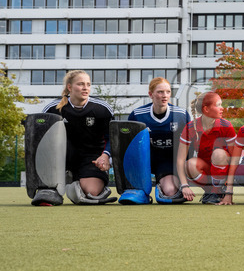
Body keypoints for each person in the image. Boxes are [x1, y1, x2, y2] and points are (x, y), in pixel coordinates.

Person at [41, 70, 114, 203]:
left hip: (92, 158)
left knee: (91, 192)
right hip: (62, 158)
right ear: (70, 87)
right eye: (81, 84)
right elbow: (41, 139)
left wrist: (105, 156)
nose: (85, 88)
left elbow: (112, 138)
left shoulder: (102, 109)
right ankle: (62, 179)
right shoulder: (52, 109)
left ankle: (75, 184)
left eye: (88, 84)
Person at [127, 77, 190, 202]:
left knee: (170, 191)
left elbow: (190, 144)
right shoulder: (137, 115)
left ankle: (161, 185)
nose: (164, 95)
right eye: (160, 92)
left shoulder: (181, 115)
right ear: (151, 94)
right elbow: (129, 145)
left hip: (168, 161)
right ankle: (142, 191)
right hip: (144, 161)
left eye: (167, 92)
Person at [176, 92, 237, 204]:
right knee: (189, 165)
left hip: (224, 168)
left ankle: (219, 190)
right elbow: (180, 160)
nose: (222, 108)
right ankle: (209, 192)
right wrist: (184, 185)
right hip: (205, 168)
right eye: (218, 105)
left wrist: (229, 192)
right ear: (206, 109)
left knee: (218, 154)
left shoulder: (226, 126)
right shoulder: (190, 127)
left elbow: (234, 159)